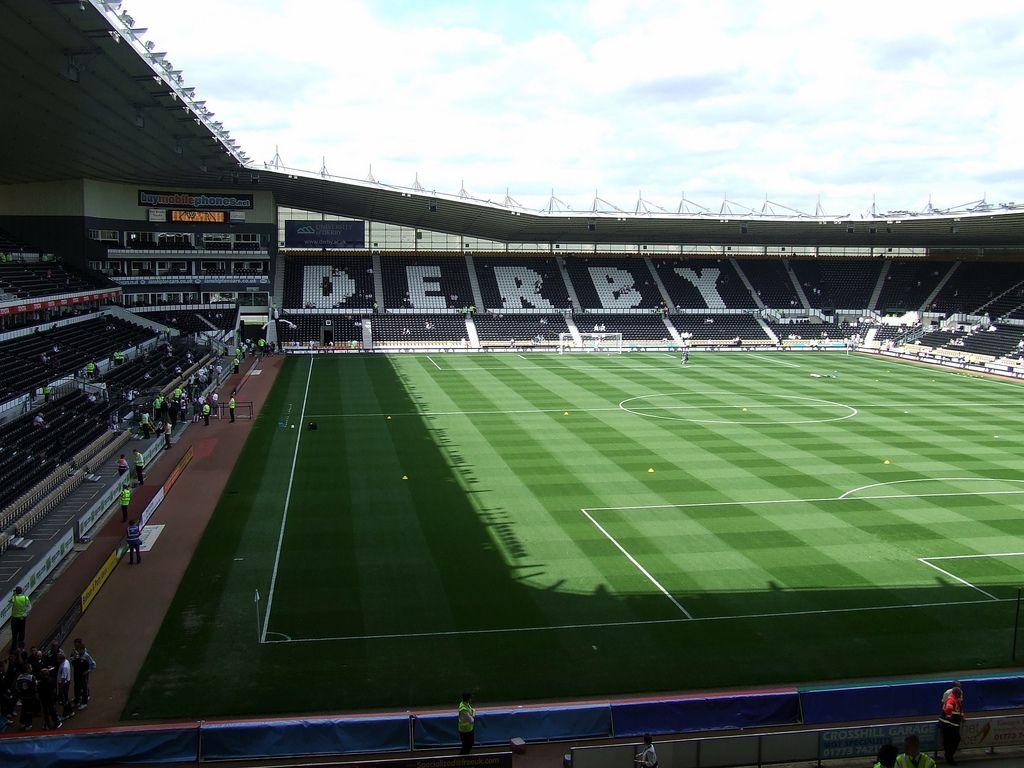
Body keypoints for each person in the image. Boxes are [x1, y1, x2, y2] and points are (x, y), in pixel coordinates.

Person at [939, 686, 964, 764]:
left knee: (950, 741)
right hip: (949, 725)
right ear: (957, 694)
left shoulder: (955, 700)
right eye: (959, 694)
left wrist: (962, 717)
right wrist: (950, 717)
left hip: (950, 725)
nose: (960, 696)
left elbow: (959, 711)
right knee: (953, 740)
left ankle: (949, 757)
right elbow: (948, 709)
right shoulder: (951, 700)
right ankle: (949, 757)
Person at [70, 639, 95, 710]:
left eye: (79, 650)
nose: (77, 651)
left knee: (84, 687)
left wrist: (87, 671)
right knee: (77, 686)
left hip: (83, 674)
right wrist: (74, 657)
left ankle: (84, 702)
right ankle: (77, 700)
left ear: (82, 649)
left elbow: (93, 665)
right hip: (77, 673)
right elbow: (73, 660)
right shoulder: (76, 654)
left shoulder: (86, 655)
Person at [15, 664, 39, 731]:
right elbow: (34, 687)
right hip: (30, 697)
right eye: (30, 667)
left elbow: (17, 687)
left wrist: (20, 695)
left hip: (22, 697)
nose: (31, 668)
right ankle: (28, 724)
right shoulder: (31, 677)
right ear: (27, 669)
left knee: (23, 710)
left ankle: (22, 723)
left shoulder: (19, 677)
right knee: (29, 711)